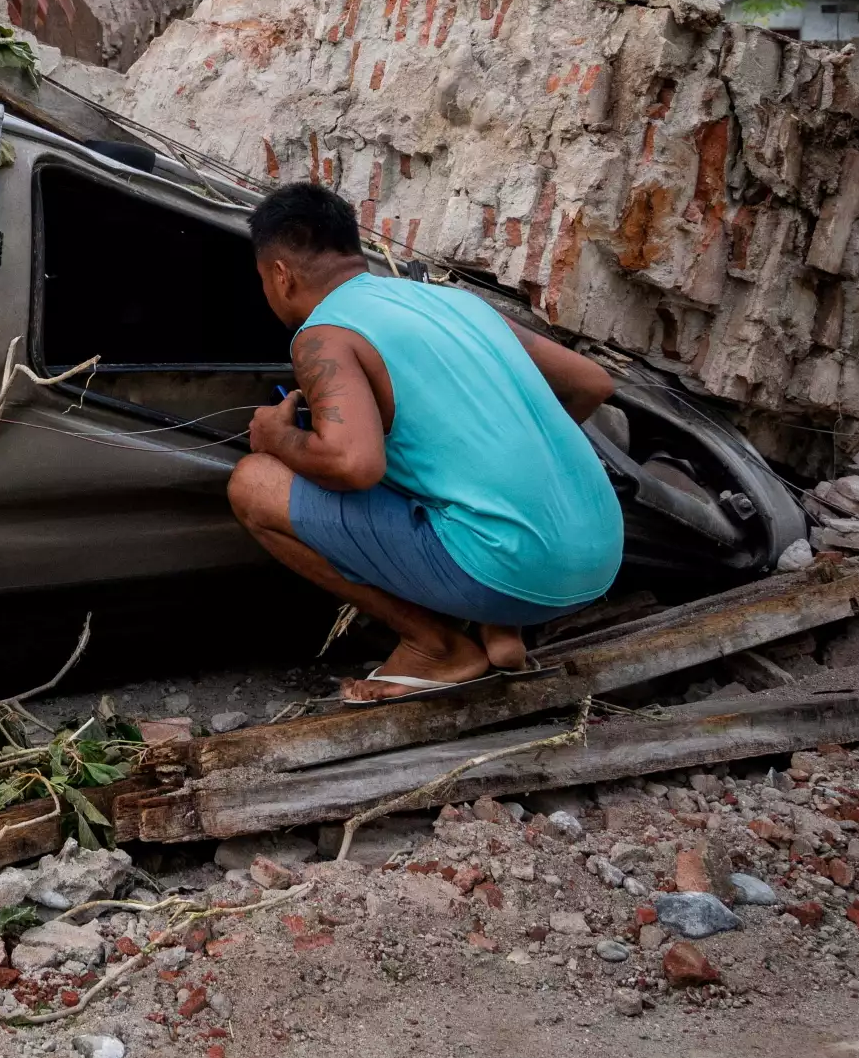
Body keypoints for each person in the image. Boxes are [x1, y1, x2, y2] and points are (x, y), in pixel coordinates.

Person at [225, 181, 623, 704]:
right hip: (598, 557)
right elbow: (591, 383)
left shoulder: (322, 334)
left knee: (253, 485)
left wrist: (278, 438)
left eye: (262, 280)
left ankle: (434, 645)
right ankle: (499, 626)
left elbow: (353, 464)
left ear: (280, 274)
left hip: (508, 570)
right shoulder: (455, 302)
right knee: (429, 472)